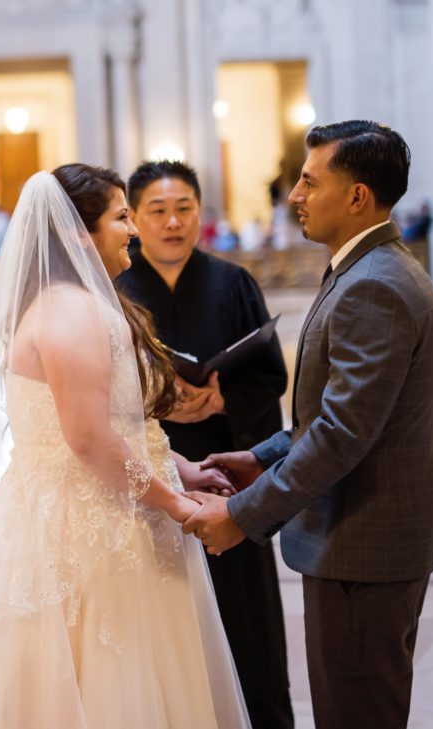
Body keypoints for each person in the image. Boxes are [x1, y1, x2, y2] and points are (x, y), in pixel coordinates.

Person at [0, 164, 248, 728]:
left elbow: (118, 426)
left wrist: (181, 469)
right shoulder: (68, 311)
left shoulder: (83, 302)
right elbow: (89, 440)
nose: (132, 230)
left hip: (109, 510)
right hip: (84, 532)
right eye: (122, 216)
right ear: (80, 232)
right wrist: (174, 503)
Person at [187, 121, 433, 729]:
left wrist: (242, 516)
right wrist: (263, 457)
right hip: (359, 545)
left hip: (364, 549)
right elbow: (337, 412)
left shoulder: (375, 285)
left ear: (357, 197)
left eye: (308, 180)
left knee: (355, 713)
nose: (294, 195)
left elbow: (342, 434)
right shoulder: (364, 269)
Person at [117, 162, 295, 729]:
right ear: (135, 220)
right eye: (158, 211)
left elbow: (270, 377)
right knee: (168, 618)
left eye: (185, 208)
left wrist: (221, 404)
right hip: (152, 473)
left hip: (225, 467)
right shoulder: (116, 290)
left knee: (247, 621)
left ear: (200, 212)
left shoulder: (233, 281)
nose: (173, 222)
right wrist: (164, 404)